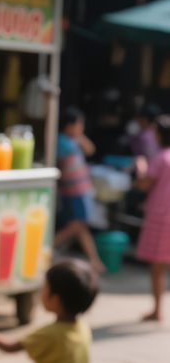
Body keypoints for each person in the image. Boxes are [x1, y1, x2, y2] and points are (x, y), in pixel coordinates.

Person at [53, 108, 105, 272]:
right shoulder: (61, 141)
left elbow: (91, 149)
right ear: (69, 125)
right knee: (77, 226)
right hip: (73, 191)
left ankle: (95, 261)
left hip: (80, 190)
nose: (81, 127)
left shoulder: (71, 140)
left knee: (81, 227)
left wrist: (78, 135)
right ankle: (47, 246)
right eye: (79, 124)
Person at [135, 114, 170, 321]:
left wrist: (140, 168)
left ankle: (157, 310)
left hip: (160, 215)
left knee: (157, 265)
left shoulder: (160, 158)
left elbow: (145, 184)